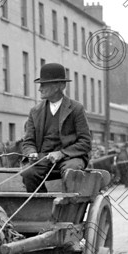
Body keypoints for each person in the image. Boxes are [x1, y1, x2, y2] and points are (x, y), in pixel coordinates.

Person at [21, 62, 91, 193]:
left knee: (72, 171)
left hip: (71, 158)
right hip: (44, 159)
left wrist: (61, 153)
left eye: (43, 84)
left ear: (60, 86)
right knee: (28, 173)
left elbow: (85, 143)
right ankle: (42, 206)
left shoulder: (76, 109)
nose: (39, 89)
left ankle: (69, 209)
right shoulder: (35, 111)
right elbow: (28, 141)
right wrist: (31, 152)